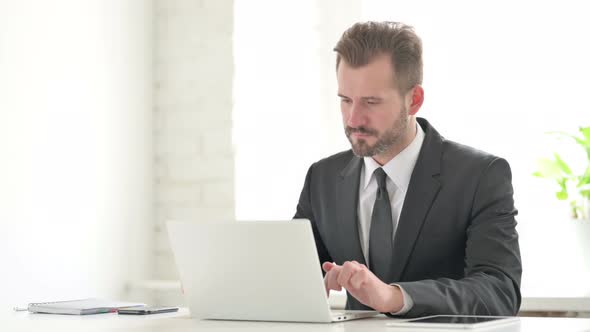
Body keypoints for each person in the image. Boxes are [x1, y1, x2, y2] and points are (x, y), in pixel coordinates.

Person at [293, 21, 521, 317]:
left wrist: (395, 297)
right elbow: (292, 279)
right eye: (345, 100)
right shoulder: (321, 179)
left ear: (413, 100)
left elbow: (499, 291)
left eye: (371, 102)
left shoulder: (481, 176)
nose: (353, 118)